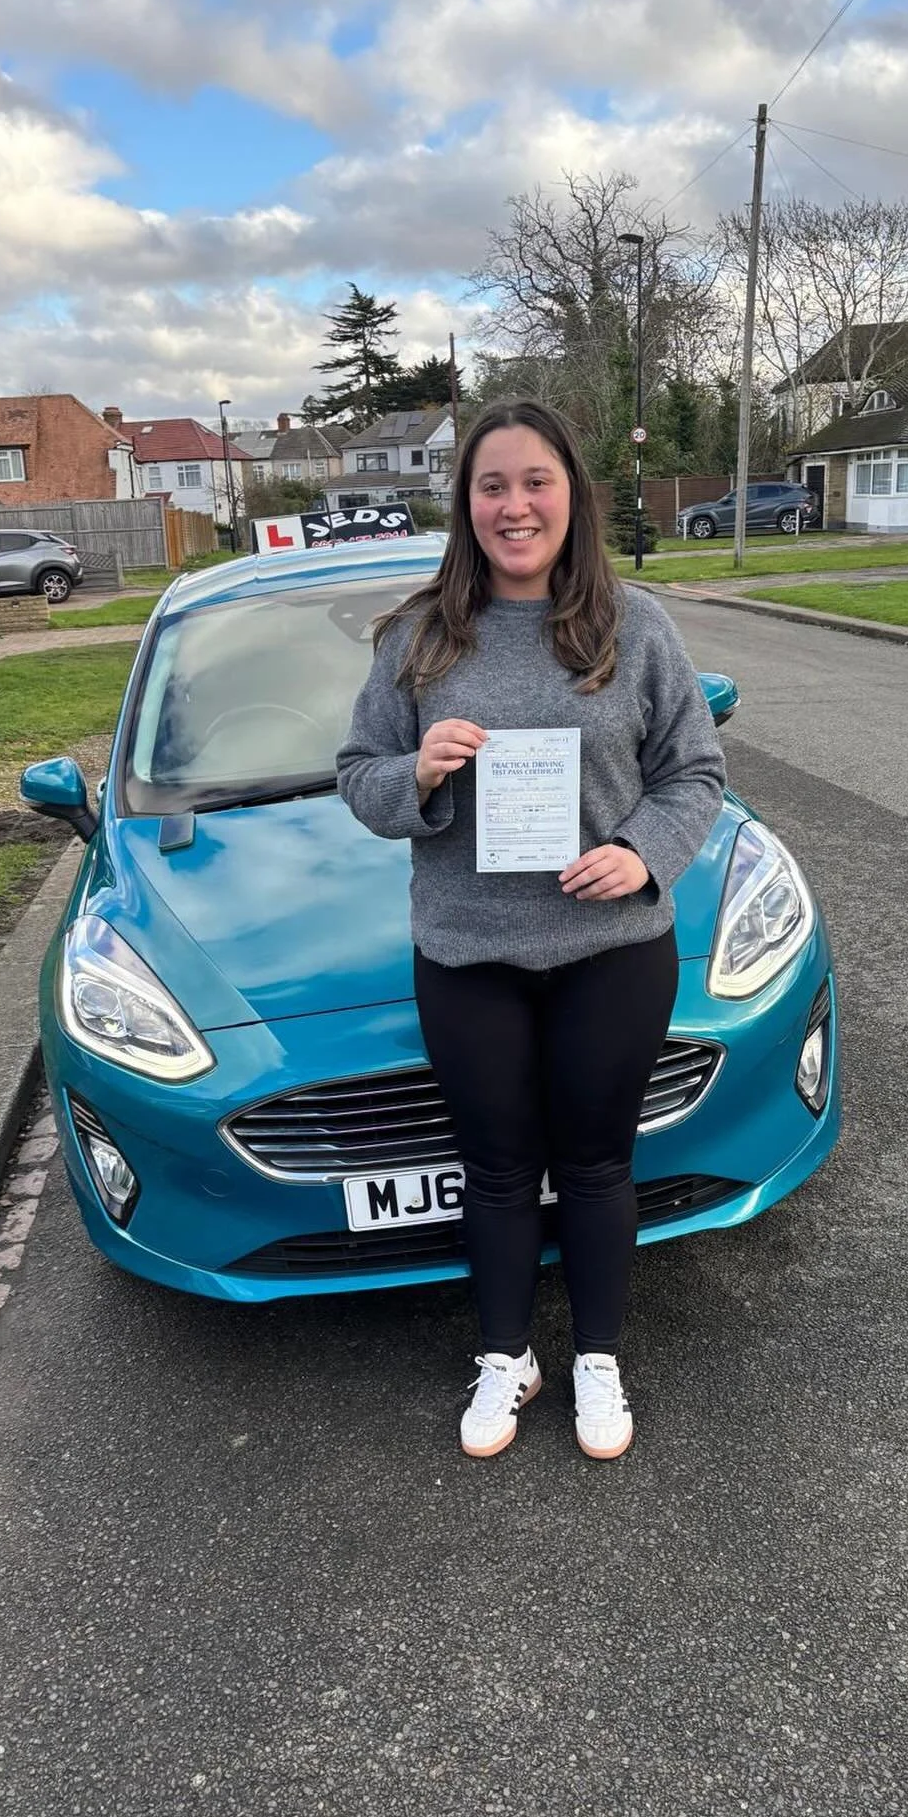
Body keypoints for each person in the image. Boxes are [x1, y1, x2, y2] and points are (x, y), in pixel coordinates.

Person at [336, 398, 726, 1461]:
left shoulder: (635, 627)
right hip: (469, 953)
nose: (515, 505)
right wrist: (414, 772)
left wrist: (645, 851)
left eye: (535, 482)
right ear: (466, 504)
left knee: (598, 1164)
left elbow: (693, 771)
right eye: (492, 485)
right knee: (498, 1170)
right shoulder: (418, 639)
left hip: (611, 951)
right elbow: (358, 779)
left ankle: (596, 1355)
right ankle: (505, 1354)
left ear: (573, 495)